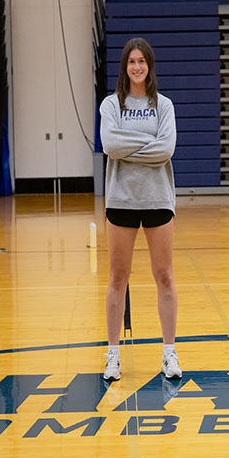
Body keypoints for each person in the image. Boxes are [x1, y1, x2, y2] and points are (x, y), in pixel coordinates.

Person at [99, 37, 181, 381]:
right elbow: (109, 144)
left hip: (158, 199)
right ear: (125, 66)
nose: (136, 67)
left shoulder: (164, 105)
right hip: (121, 200)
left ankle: (169, 353)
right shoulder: (110, 105)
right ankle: (113, 355)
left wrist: (127, 146)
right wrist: (146, 143)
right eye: (131, 61)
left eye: (142, 61)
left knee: (164, 276)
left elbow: (166, 150)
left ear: (149, 66)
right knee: (118, 278)